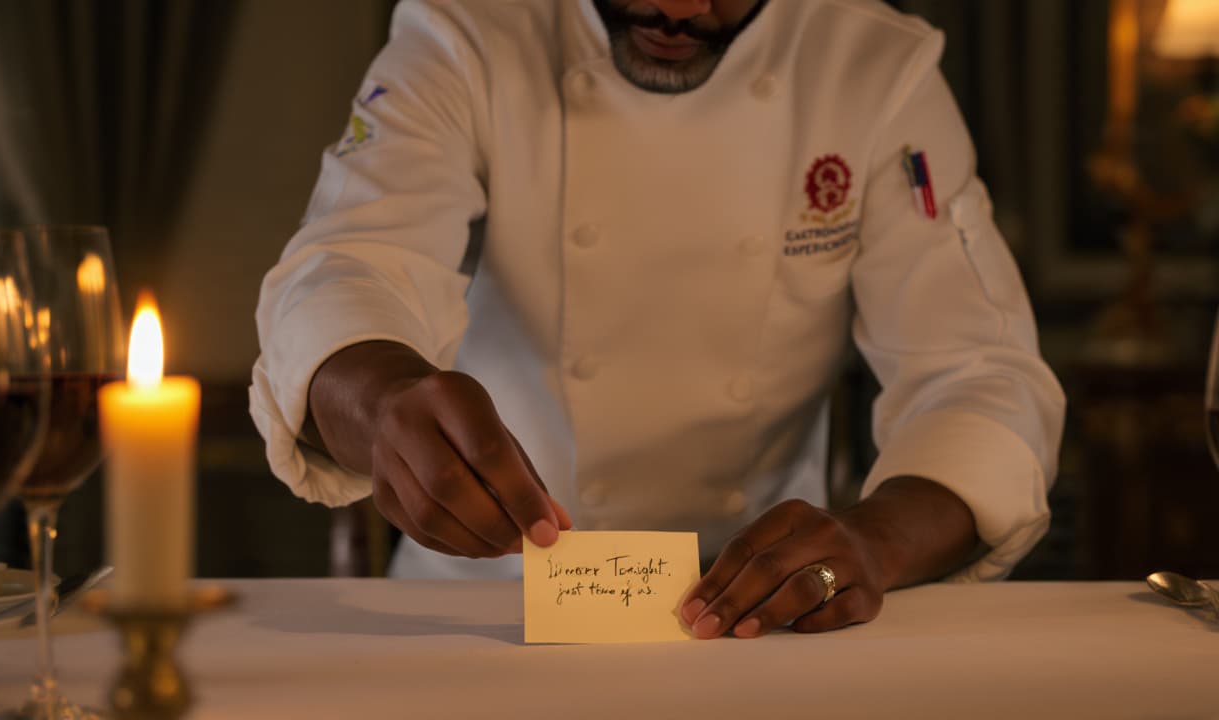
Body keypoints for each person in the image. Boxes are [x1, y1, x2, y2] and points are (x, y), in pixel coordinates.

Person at [250, 0, 1065, 638]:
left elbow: (978, 371)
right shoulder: (464, 37)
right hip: (481, 614)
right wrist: (388, 401)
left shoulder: (876, 69)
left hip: (764, 628)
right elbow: (347, 263)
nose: (680, 7)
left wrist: (875, 543)